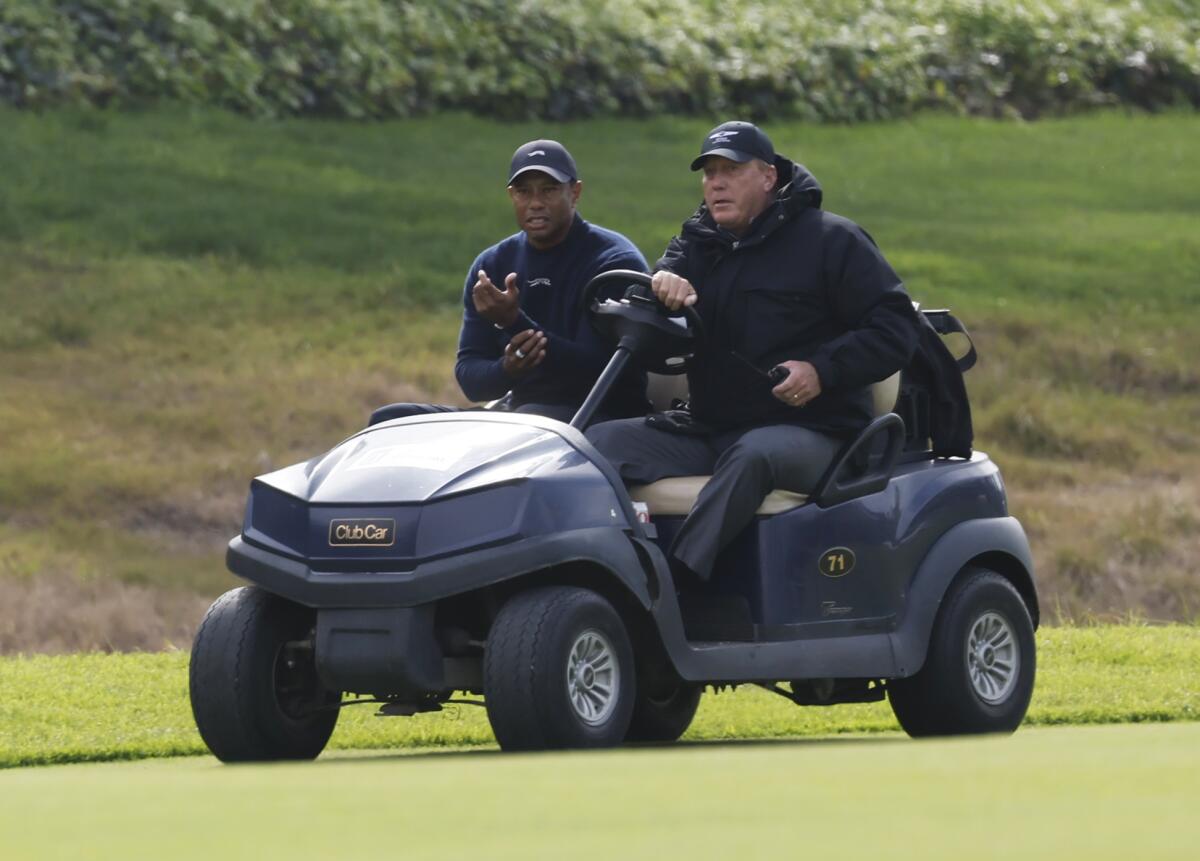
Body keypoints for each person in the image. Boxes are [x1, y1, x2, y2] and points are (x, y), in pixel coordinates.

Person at [586, 121, 921, 581]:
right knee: (597, 445)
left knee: (753, 455)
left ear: (768, 177)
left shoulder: (832, 241)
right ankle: (594, 571)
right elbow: (654, 311)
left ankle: (671, 586)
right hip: (710, 427)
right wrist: (661, 287)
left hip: (816, 432)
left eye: (731, 170)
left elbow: (896, 327)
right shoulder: (697, 242)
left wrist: (821, 371)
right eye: (708, 174)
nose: (716, 183)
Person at [369, 140, 651, 426]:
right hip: (520, 417)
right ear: (511, 196)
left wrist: (513, 322)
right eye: (523, 192)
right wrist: (508, 370)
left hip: (599, 419)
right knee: (389, 420)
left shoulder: (613, 261)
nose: (536, 203)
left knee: (530, 421)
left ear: (575, 192)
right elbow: (473, 382)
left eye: (549, 190)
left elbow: (601, 373)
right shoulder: (492, 266)